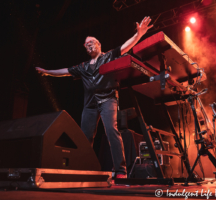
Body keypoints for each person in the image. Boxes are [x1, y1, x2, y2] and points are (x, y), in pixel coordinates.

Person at [36, 16, 153, 178]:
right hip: (90, 105)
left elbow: (125, 47)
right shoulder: (83, 66)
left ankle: (120, 170)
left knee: (112, 131)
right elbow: (65, 71)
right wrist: (48, 72)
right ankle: (81, 170)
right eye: (86, 44)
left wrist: (139, 35)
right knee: (85, 138)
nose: (88, 45)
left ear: (99, 44)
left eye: (91, 42)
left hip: (108, 99)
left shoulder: (108, 56)